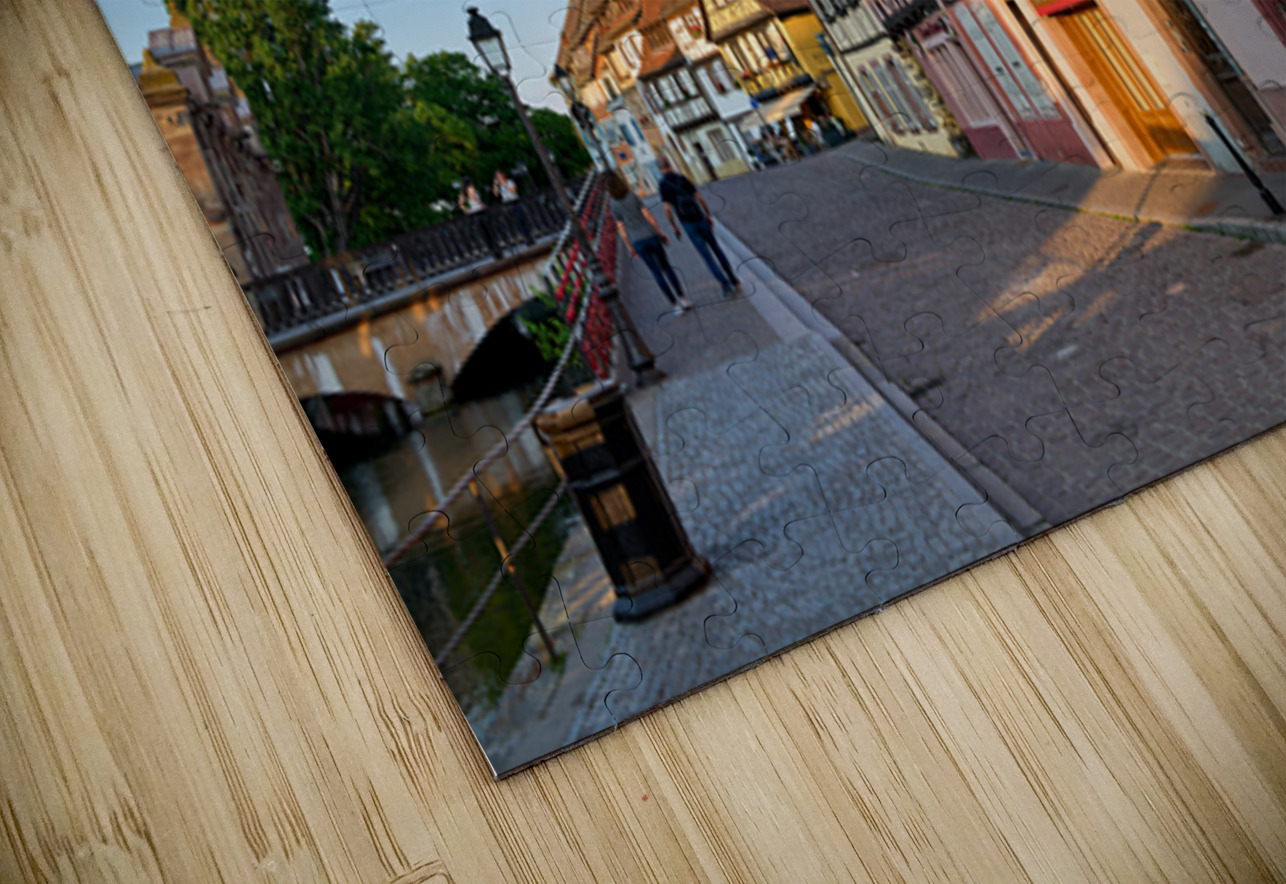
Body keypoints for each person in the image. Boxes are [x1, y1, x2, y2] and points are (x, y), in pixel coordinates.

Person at [605, 171, 692, 314]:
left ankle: (675, 305)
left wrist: (629, 246)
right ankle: (683, 298)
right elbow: (648, 215)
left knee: (656, 273)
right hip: (651, 235)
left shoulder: (613, 204)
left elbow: (621, 228)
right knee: (667, 267)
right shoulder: (632, 196)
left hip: (637, 241)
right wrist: (660, 231)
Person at [656, 155, 740, 297]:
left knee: (707, 256)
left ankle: (725, 285)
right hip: (699, 217)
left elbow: (667, 209)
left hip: (687, 223)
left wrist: (673, 225)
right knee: (717, 250)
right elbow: (699, 197)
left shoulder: (663, 185)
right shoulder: (682, 178)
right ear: (669, 164)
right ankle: (733, 279)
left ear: (659, 168)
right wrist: (707, 214)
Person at [493, 169, 530, 242]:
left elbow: (513, 190)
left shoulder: (509, 182)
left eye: (499, 175)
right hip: (507, 204)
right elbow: (496, 194)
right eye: (497, 176)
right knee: (513, 222)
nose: (498, 177)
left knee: (521, 220)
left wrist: (505, 185)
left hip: (515, 202)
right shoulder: (499, 186)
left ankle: (527, 236)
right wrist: (495, 184)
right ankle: (518, 237)